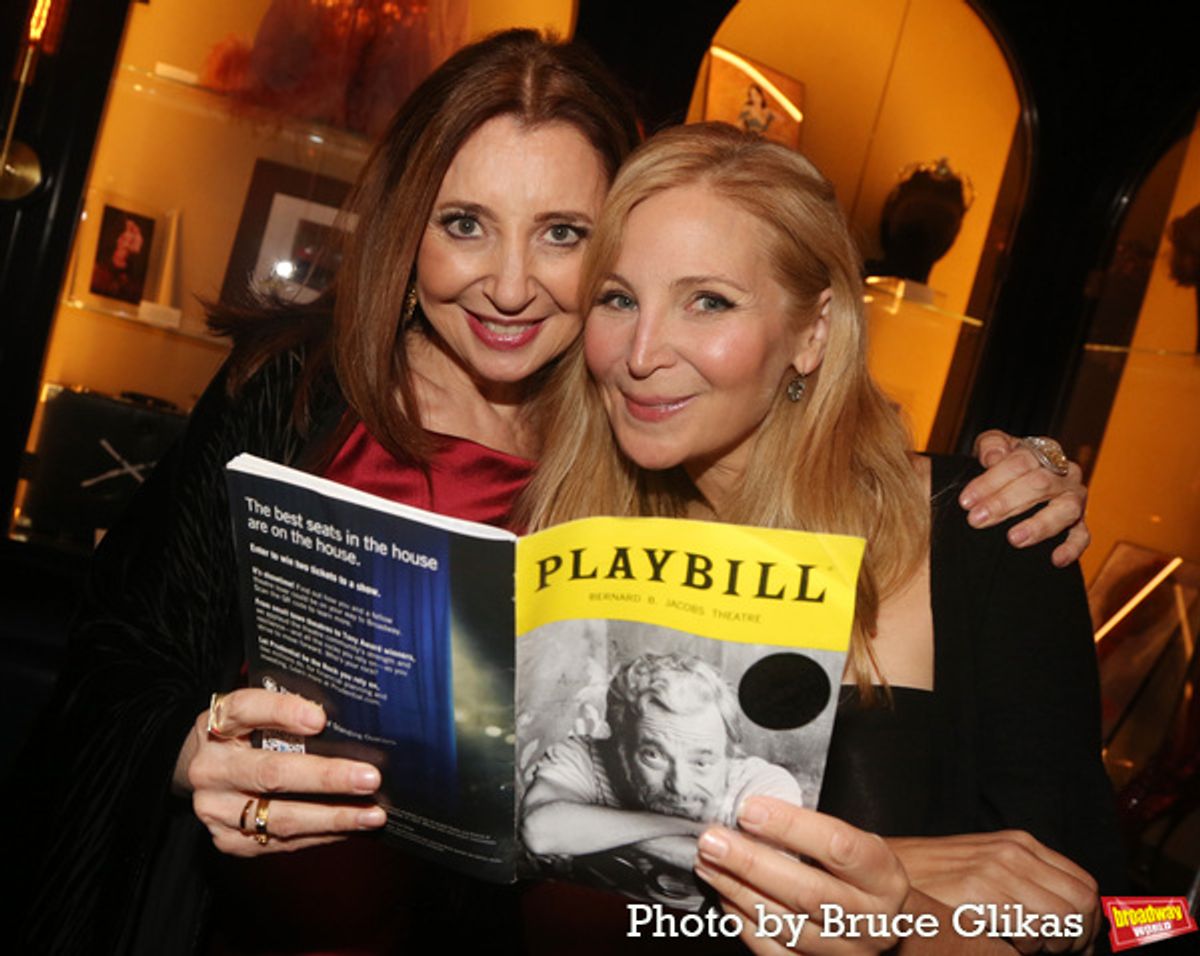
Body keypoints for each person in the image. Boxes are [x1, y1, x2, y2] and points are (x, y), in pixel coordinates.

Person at [13, 29, 1092, 955]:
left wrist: (902, 911)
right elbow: (122, 652)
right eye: (465, 222)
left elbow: (1127, 913)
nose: (517, 285)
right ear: (406, 226)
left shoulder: (935, 530)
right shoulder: (339, 410)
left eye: (569, 238)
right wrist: (188, 748)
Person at [519, 123, 1124, 954]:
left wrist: (906, 930)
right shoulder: (569, 542)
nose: (641, 352)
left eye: (710, 301)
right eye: (618, 299)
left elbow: (1137, 923)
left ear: (814, 331)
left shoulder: (988, 531)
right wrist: (888, 869)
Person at [521, 652, 804, 869]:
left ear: (730, 753)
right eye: (653, 756)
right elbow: (540, 831)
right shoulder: (585, 756)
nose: (679, 786)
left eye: (701, 763)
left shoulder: (761, 785)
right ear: (621, 747)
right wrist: (694, 830)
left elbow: (765, 874)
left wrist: (593, 828)